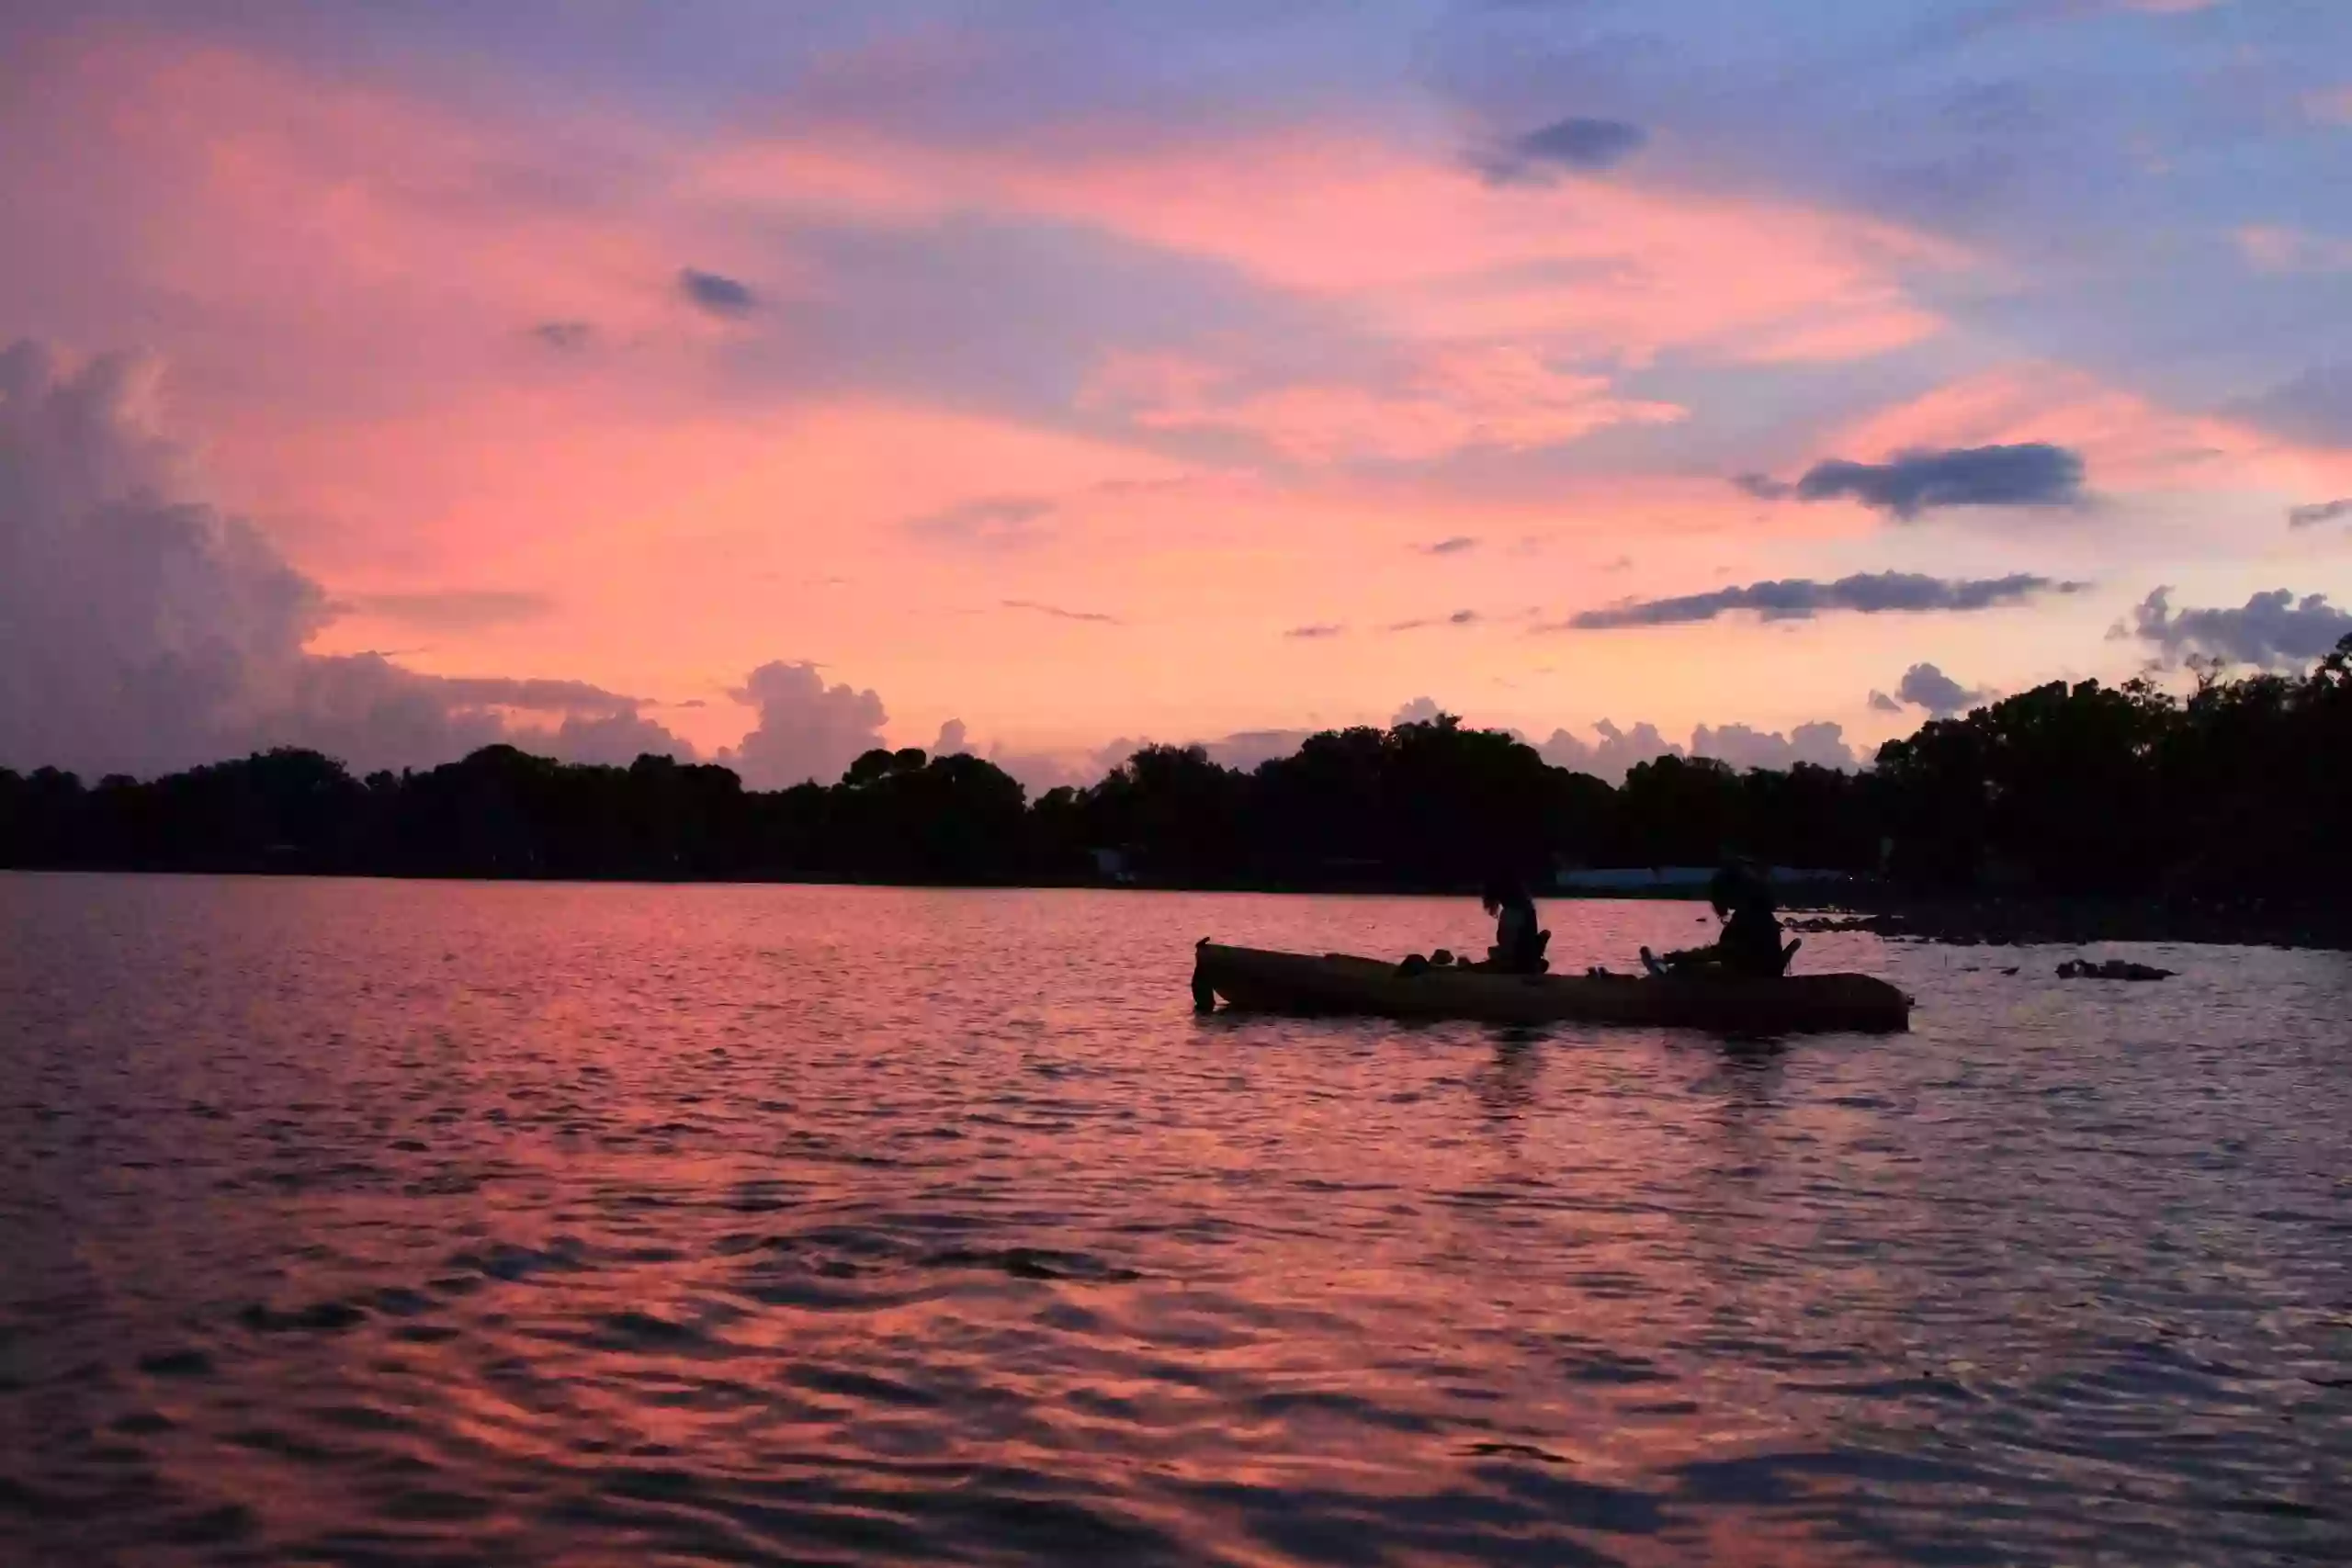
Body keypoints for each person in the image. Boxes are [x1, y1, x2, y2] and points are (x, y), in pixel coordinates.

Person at [1479, 875, 1548, 973]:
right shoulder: (1527, 909)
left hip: (1515, 961)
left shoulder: (1512, 912)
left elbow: (1508, 948)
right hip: (1525, 957)